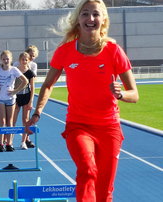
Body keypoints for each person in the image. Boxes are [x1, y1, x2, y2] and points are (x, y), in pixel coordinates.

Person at [25, 0, 138, 201]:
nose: (90, 19)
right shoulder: (65, 51)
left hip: (109, 127)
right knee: (87, 170)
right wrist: (37, 112)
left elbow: (134, 94)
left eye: (95, 14)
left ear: (103, 20)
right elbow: (48, 84)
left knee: (104, 191)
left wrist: (120, 94)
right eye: (85, 14)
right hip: (79, 126)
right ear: (78, 19)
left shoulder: (114, 51)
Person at [0, 50, 27, 152]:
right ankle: (1, 143)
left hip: (10, 98)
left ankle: (9, 143)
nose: (6, 60)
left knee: (10, 122)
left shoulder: (14, 70)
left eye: (7, 59)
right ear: (1, 60)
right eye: (4, 59)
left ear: (11, 59)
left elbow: (25, 81)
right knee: (2, 121)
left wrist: (15, 91)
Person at [13, 52, 36, 150]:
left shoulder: (30, 73)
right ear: (19, 60)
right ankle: (9, 141)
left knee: (25, 120)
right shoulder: (15, 71)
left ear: (28, 61)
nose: (24, 61)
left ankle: (23, 142)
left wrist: (31, 101)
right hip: (17, 97)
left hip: (26, 97)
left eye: (26, 60)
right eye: (22, 59)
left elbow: (32, 87)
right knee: (12, 120)